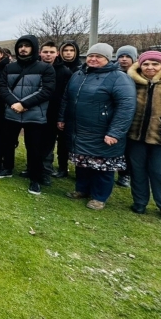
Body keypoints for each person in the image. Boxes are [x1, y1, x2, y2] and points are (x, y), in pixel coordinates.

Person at [58, 43, 136, 210]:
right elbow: (66, 98)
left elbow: (126, 107)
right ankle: (82, 189)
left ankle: (99, 197)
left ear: (108, 59)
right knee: (83, 162)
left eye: (98, 57)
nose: (93, 59)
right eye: (90, 56)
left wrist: (115, 132)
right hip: (79, 128)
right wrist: (61, 118)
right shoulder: (79, 74)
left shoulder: (119, 78)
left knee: (103, 166)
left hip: (103, 130)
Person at [0, 35, 55, 195]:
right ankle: (7, 168)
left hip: (34, 115)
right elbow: (2, 87)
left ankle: (35, 179)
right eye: (20, 46)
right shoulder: (9, 67)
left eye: (27, 46)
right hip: (12, 113)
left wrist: (24, 104)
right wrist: (14, 103)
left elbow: (46, 90)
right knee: (8, 143)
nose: (23, 48)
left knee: (34, 148)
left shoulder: (45, 68)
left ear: (34, 48)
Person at [127, 51, 161, 223]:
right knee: (138, 171)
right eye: (146, 64)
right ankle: (140, 202)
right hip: (136, 135)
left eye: (155, 64)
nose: (150, 67)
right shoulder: (133, 82)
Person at [38, 41, 72, 180]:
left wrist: (61, 117)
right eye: (45, 52)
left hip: (53, 113)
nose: (48, 55)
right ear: (40, 53)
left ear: (57, 53)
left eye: (51, 52)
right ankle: (32, 167)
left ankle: (46, 171)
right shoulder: (35, 68)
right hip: (35, 110)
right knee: (34, 141)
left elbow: (66, 96)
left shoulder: (64, 71)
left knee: (48, 144)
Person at [115, 45, 138, 188]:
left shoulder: (139, 74)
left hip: (134, 116)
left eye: (127, 57)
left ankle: (125, 174)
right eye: (121, 57)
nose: (124, 60)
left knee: (129, 150)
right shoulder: (113, 73)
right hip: (114, 115)